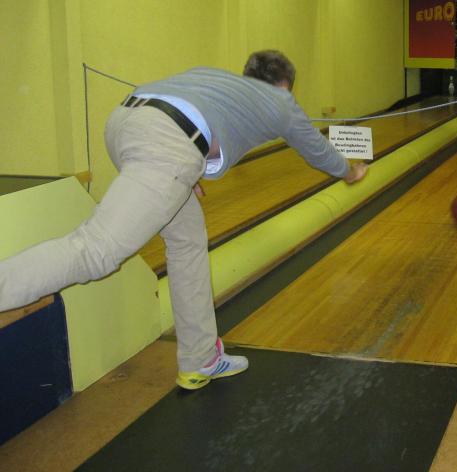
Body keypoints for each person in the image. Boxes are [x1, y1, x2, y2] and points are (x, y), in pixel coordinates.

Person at [0, 50, 368, 390]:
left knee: (187, 240)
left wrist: (185, 171)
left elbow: (192, 122)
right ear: (285, 85)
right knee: (97, 250)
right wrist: (349, 171)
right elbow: (316, 149)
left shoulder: (214, 79)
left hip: (124, 123)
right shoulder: (281, 101)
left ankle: (200, 359)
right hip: (167, 144)